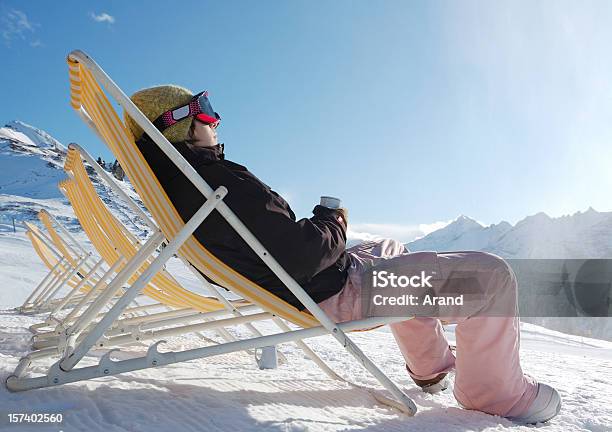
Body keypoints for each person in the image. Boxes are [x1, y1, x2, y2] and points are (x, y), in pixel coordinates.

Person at [123, 85, 561, 424]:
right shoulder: (212, 182)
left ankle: (429, 367)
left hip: (322, 280)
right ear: (176, 123)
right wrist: (333, 221)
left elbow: (278, 248)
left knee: (393, 249)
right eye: (203, 108)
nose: (215, 119)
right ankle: (494, 395)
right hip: (335, 292)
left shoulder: (184, 185)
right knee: (491, 277)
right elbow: (300, 253)